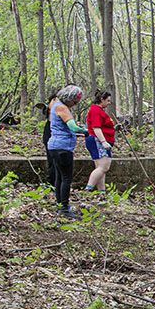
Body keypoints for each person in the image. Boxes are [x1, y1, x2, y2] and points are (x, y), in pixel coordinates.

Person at [47, 84, 88, 218]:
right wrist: (84, 131)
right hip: (62, 147)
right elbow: (72, 126)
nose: (75, 105)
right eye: (74, 102)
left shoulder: (55, 105)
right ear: (68, 98)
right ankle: (64, 207)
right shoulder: (62, 107)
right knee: (66, 177)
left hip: (55, 146)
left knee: (59, 177)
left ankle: (60, 205)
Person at [85, 90, 115, 193]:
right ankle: (88, 188)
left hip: (100, 139)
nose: (109, 103)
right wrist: (103, 141)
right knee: (104, 167)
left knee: (100, 168)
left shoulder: (99, 110)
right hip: (97, 140)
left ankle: (101, 191)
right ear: (101, 99)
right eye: (108, 100)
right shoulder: (95, 111)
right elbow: (96, 127)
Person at [41, 88, 60, 190]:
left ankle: (54, 183)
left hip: (53, 131)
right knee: (52, 161)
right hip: (51, 131)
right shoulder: (55, 101)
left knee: (56, 161)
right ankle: (50, 183)